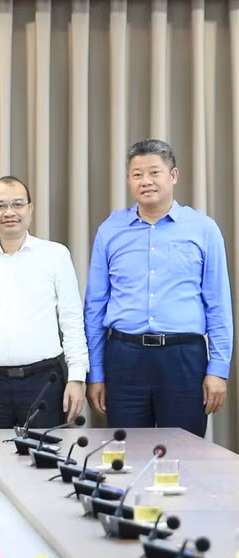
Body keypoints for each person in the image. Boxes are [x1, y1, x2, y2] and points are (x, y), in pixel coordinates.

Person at [84, 139, 232, 437]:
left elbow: (218, 304)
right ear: (128, 180)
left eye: (154, 172)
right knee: (126, 456)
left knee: (183, 455)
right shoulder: (110, 230)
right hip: (124, 357)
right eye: (137, 174)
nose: (146, 181)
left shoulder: (203, 228)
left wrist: (218, 369)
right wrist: (96, 374)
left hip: (183, 359)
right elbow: (95, 307)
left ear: (173, 176)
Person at [0, 176, 88, 429]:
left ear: (30, 209)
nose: (9, 212)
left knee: (44, 463)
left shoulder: (55, 255)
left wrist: (77, 378)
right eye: (0, 206)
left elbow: (72, 320)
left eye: (17, 204)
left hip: (44, 382)